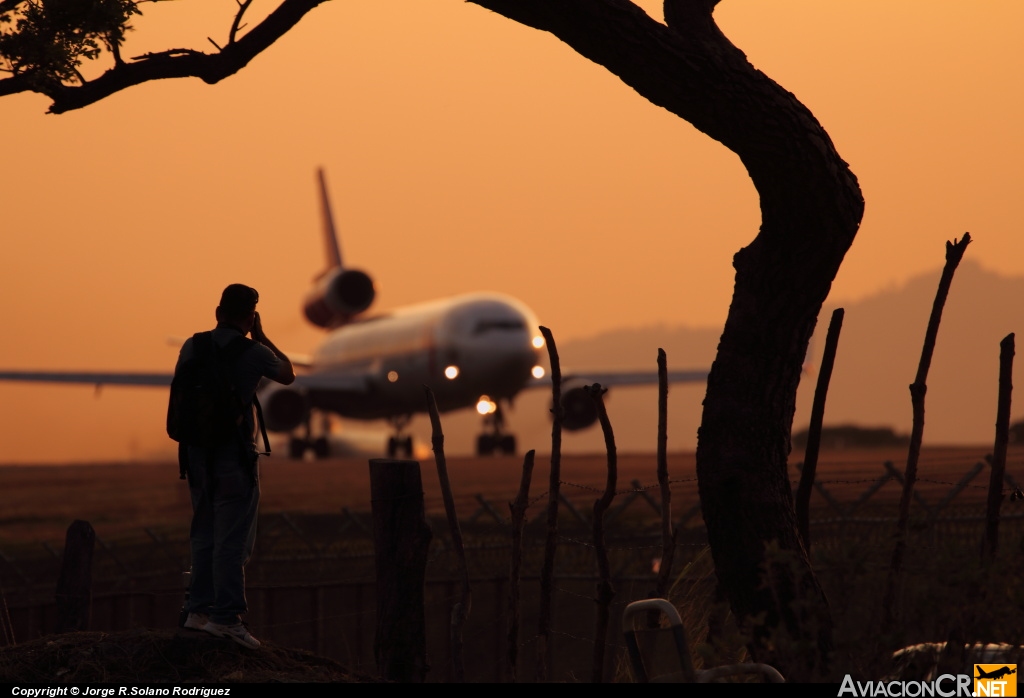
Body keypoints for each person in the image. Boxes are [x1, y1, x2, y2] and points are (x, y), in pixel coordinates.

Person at [176, 284, 295, 649]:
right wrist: (263, 336)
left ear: (217, 312)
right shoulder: (255, 352)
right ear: (249, 317)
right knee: (232, 540)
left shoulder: (191, 346)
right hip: (234, 457)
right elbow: (288, 374)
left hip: (195, 454)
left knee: (203, 533)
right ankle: (226, 618)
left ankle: (197, 611)